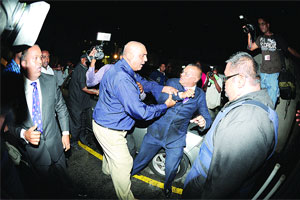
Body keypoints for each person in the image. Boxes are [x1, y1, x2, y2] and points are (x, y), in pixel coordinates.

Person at [183, 52, 278, 199]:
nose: (224, 82)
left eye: (226, 78)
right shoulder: (252, 105)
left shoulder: (246, 121)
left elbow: (221, 186)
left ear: (240, 80)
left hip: (203, 187)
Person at [92, 41, 178, 200]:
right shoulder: (122, 78)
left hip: (107, 124)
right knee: (124, 163)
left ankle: (107, 171)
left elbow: (142, 82)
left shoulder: (124, 68)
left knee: (110, 153)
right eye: (142, 55)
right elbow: (141, 112)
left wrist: (162, 88)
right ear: (130, 55)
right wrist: (165, 105)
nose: (146, 59)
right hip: (109, 129)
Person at [131, 64, 212, 198]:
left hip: (176, 137)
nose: (181, 74)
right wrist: (181, 95)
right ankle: (130, 174)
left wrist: (204, 122)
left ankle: (167, 186)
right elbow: (162, 98)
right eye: (182, 71)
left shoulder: (200, 95)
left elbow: (207, 116)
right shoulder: (172, 82)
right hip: (156, 132)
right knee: (141, 159)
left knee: (172, 167)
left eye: (186, 73)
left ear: (195, 79)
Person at [7, 45, 71, 197]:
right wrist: (24, 134)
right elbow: (9, 124)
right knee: (46, 190)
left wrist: (66, 133)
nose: (40, 62)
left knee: (65, 185)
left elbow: (61, 107)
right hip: (35, 153)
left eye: (41, 58)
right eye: (35, 58)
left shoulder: (50, 81)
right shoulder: (13, 89)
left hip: (56, 145)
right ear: (24, 63)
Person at [246, 16, 300, 106]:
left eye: (263, 24)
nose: (261, 26)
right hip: (263, 74)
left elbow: (289, 49)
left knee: (271, 103)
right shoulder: (260, 38)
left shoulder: (277, 38)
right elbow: (251, 47)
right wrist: (248, 34)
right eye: (259, 25)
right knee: (262, 101)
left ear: (268, 25)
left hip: (274, 75)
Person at [68, 53, 99, 150]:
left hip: (83, 101)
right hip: (76, 102)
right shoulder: (79, 70)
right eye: (88, 59)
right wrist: (96, 91)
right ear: (82, 60)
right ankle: (73, 142)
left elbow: (90, 76)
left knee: (83, 123)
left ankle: (82, 138)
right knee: (76, 124)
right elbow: (84, 88)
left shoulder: (84, 69)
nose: (90, 60)